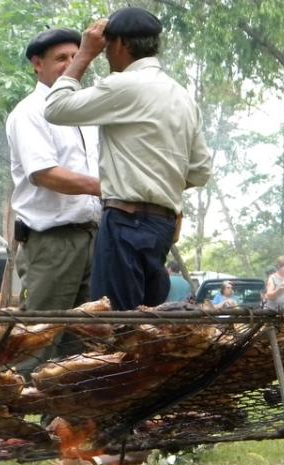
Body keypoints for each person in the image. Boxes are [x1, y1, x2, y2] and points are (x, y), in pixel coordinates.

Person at [45, 7, 213, 310]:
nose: (106, 54)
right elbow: (200, 171)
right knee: (144, 331)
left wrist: (84, 55)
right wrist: (157, 182)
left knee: (115, 328)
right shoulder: (182, 96)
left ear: (120, 44)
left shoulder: (122, 85)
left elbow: (56, 108)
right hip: (162, 227)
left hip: (125, 222)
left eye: (107, 47)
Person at [6, 28, 101, 313]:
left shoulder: (87, 111)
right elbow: (45, 174)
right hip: (52, 243)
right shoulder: (30, 112)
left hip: (93, 238)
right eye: (62, 58)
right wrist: (106, 187)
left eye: (77, 56)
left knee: (87, 340)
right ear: (38, 64)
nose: (72, 64)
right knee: (41, 336)